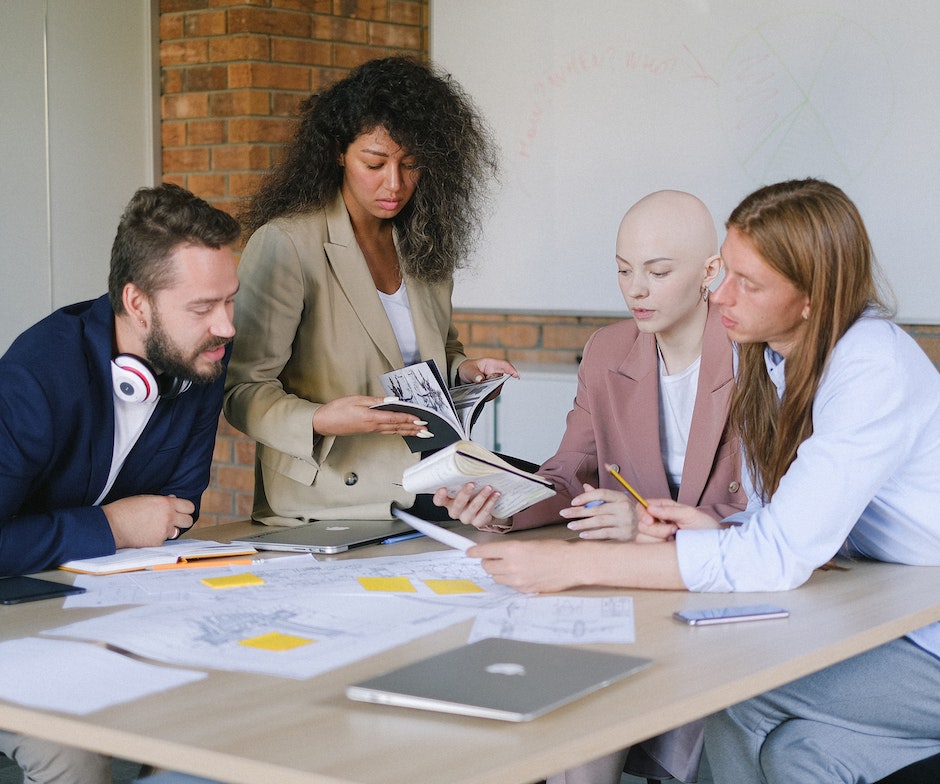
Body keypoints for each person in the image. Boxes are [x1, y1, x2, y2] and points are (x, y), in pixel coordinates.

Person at [465, 178, 940, 783]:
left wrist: (575, 567)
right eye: (727, 275)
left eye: (749, 283)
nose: (720, 297)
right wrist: (719, 526)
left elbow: (777, 556)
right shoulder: (775, 359)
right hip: (893, 601)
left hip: (921, 630)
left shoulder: (871, 365)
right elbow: (786, 522)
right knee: (799, 757)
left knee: (738, 692)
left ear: (812, 299)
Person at [436, 190, 746, 784]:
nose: (637, 290)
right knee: (551, 697)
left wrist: (645, 523)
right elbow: (567, 475)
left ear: (711, 272)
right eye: (624, 271)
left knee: (593, 704)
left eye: (657, 272)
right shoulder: (608, 351)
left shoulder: (755, 354)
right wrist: (498, 502)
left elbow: (770, 512)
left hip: (721, 589)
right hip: (623, 587)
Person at [0, 183, 240, 782]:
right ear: (136, 303)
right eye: (203, 306)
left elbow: (175, 512)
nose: (228, 326)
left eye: (230, 301)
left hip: (108, 612)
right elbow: (142, 524)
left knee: (235, 698)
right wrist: (108, 526)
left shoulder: (201, 357)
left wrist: (135, 530)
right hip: (16, 626)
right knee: (74, 753)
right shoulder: (37, 376)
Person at [223, 56, 517, 525]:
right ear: (339, 151)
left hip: (430, 482)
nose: (395, 184)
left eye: (412, 164)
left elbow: (437, 350)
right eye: (375, 163)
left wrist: (466, 373)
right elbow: (241, 390)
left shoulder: (423, 240)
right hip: (333, 499)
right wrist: (321, 420)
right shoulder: (288, 244)